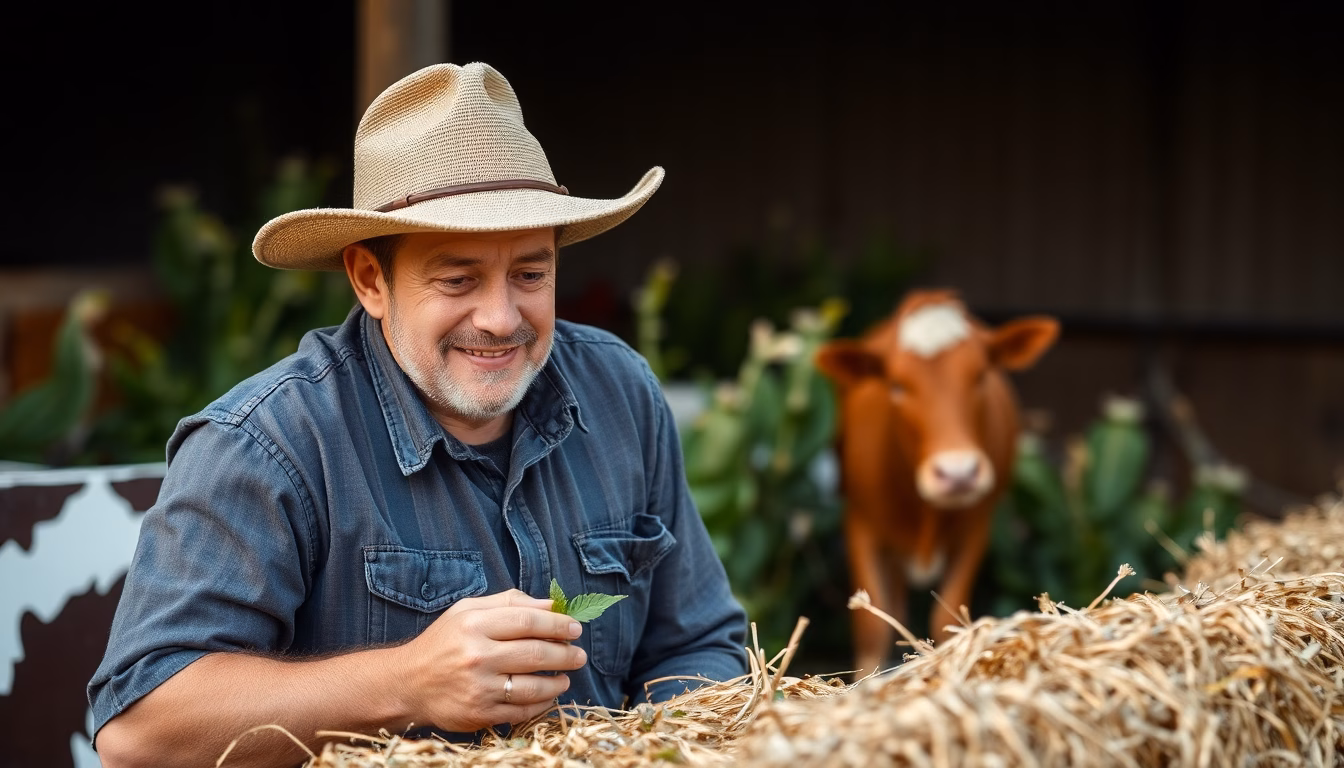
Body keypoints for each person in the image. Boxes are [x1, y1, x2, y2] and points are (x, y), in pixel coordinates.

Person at [88, 62, 747, 768]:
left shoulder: (618, 392)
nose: (500, 319)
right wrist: (404, 682)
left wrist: (667, 741)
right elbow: (140, 732)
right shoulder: (266, 444)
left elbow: (697, 644)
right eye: (458, 279)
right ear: (371, 279)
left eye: (531, 274)